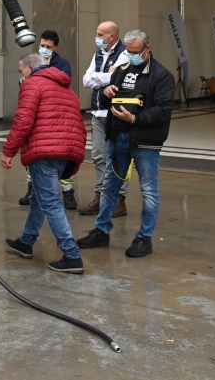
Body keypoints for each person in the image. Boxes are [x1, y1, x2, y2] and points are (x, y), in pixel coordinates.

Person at [77, 29, 174, 258]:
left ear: (147, 49)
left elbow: (163, 110)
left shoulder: (161, 75)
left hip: (146, 142)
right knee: (110, 186)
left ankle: (144, 238)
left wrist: (135, 119)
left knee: (149, 190)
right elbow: (101, 100)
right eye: (128, 52)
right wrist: (106, 93)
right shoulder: (121, 70)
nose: (131, 56)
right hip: (118, 137)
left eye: (135, 52)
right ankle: (101, 231)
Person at [2, 53, 87, 273]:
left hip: (44, 151)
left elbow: (23, 121)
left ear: (30, 68)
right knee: (39, 198)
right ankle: (26, 241)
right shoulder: (66, 88)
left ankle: (72, 254)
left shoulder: (32, 85)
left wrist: (8, 151)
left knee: (50, 202)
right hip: (64, 152)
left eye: (21, 71)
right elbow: (79, 124)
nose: (20, 76)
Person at [19, 29, 77, 209]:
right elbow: (24, 83)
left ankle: (68, 193)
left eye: (48, 47)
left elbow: (64, 82)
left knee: (61, 154)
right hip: (36, 115)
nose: (44, 49)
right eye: (42, 45)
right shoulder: (32, 62)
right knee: (34, 155)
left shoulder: (62, 64)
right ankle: (32, 190)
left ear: (55, 47)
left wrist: (46, 71)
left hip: (57, 116)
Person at [78, 21, 130, 217]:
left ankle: (119, 199)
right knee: (99, 156)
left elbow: (117, 78)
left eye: (100, 34)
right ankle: (100, 196)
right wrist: (104, 76)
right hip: (97, 112)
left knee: (117, 156)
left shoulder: (125, 53)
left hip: (115, 113)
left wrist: (98, 78)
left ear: (112, 37)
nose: (97, 37)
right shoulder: (98, 54)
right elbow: (85, 80)